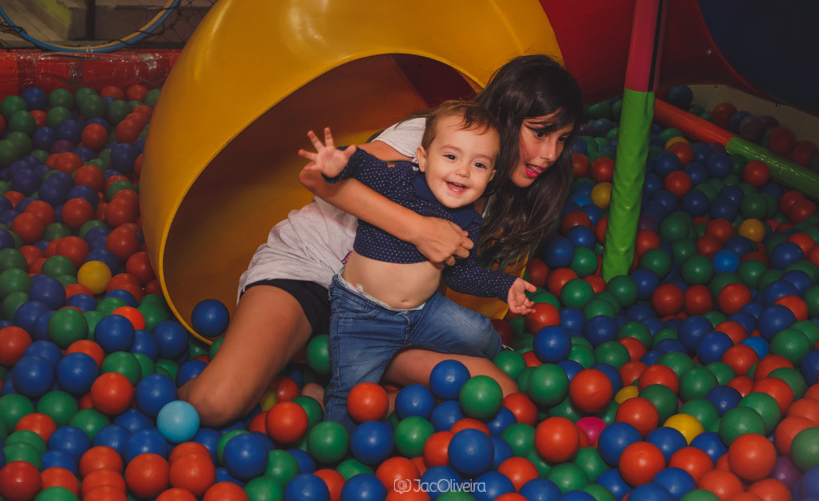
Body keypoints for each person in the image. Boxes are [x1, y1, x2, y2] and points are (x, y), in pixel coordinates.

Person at [178, 54, 582, 427]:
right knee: (216, 404)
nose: (549, 155)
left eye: (561, 139)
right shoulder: (434, 139)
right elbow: (318, 178)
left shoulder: (488, 182)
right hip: (312, 269)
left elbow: (459, 272)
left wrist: (500, 285)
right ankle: (326, 359)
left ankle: (333, 366)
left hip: (386, 316)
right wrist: (421, 230)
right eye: (540, 132)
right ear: (508, 114)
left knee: (498, 390)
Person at [300, 101, 536, 430]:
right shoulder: (399, 182)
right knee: (353, 399)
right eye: (451, 157)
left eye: (479, 164)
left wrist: (504, 285)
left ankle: (503, 353)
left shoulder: (469, 220)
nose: (463, 170)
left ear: (492, 176)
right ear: (423, 158)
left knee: (481, 333)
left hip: (424, 312)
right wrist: (338, 162)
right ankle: (326, 411)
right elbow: (364, 166)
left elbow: (462, 275)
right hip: (363, 312)